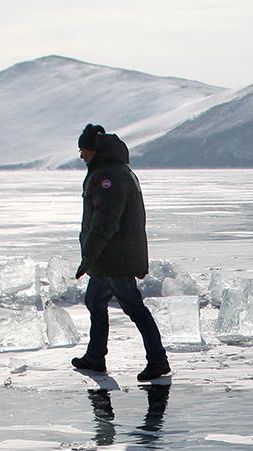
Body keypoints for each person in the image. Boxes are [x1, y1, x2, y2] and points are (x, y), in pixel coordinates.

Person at [69, 123, 171, 383]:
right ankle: (95, 356)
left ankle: (157, 360)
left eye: (83, 150)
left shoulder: (109, 178)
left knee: (133, 307)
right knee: (95, 301)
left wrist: (89, 256)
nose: (81, 156)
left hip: (115, 258)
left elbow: (106, 222)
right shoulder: (113, 171)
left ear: (94, 150)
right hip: (109, 258)